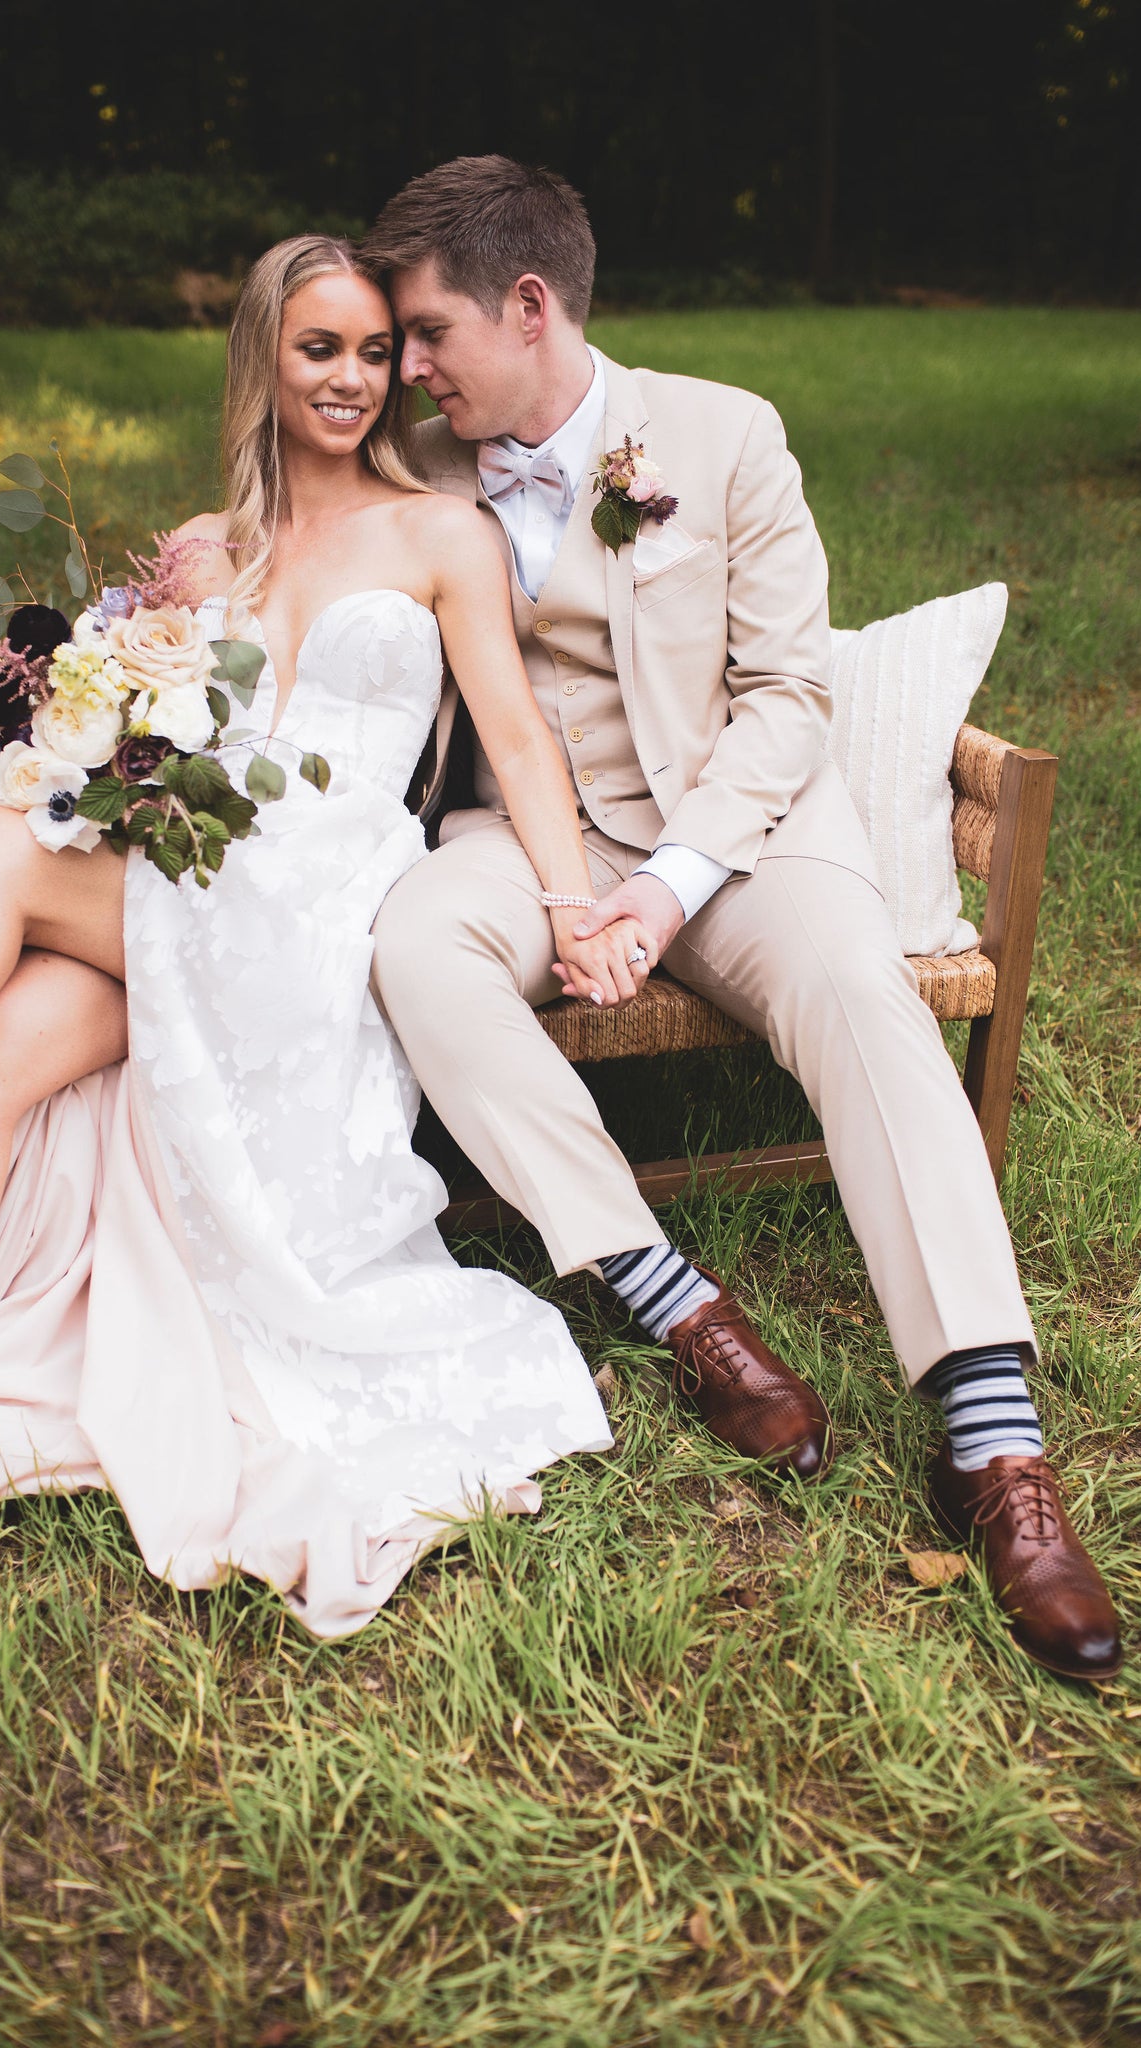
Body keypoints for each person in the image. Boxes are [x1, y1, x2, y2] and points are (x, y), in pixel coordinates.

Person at [0, 234, 639, 1638]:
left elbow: (519, 741)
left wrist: (569, 902)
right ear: (263, 358)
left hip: (321, 894)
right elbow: (141, 733)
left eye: (373, 353)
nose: (353, 379)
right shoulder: (198, 552)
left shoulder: (440, 533)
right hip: (188, 872)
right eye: (319, 350)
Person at [360, 156, 1121, 1683]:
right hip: (516, 833)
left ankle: (991, 1440)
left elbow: (788, 694)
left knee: (856, 986)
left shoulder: (722, 433)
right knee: (414, 949)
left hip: (740, 833)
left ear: (528, 305)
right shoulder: (407, 467)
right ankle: (667, 1293)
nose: (408, 366)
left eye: (429, 331)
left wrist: (664, 886)